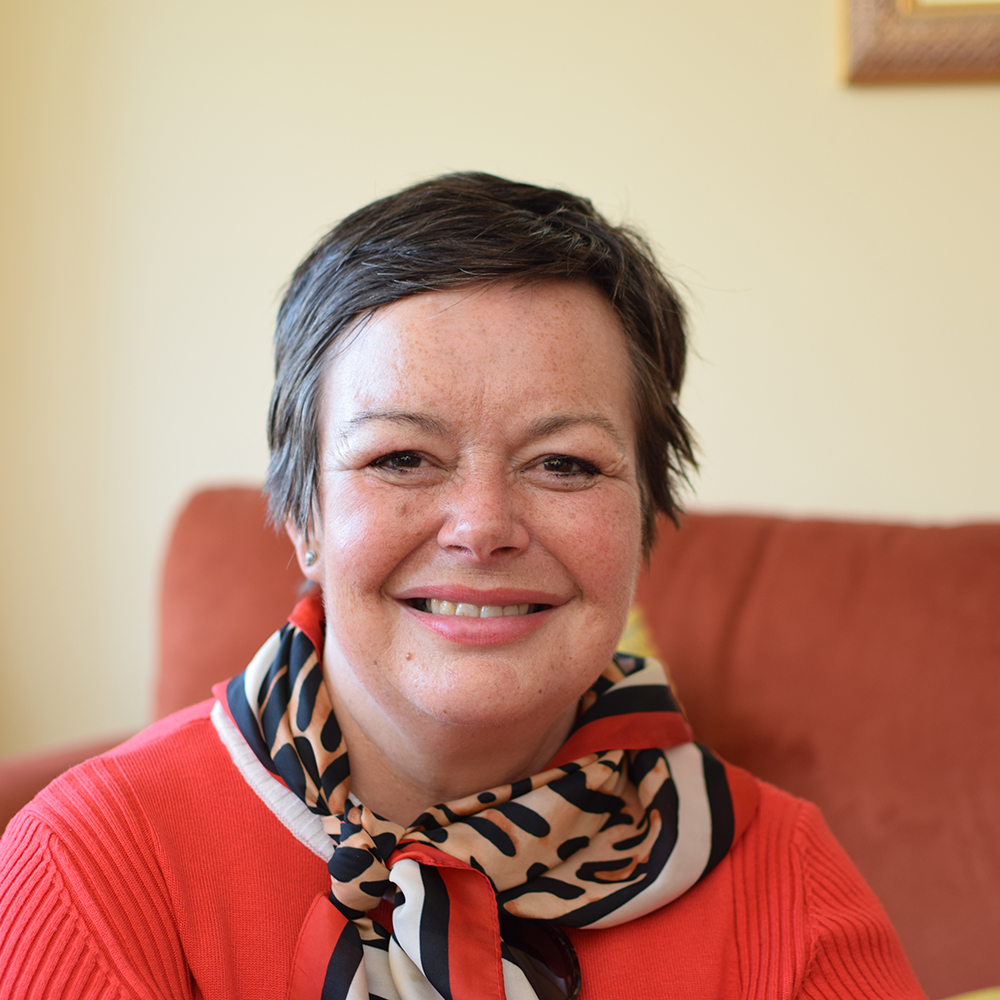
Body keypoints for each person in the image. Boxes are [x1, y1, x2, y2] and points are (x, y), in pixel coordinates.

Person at [0, 173, 925, 999]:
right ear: (303, 517)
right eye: (402, 456)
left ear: (645, 519)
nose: (482, 526)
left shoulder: (784, 878)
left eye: (564, 464)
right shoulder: (88, 868)